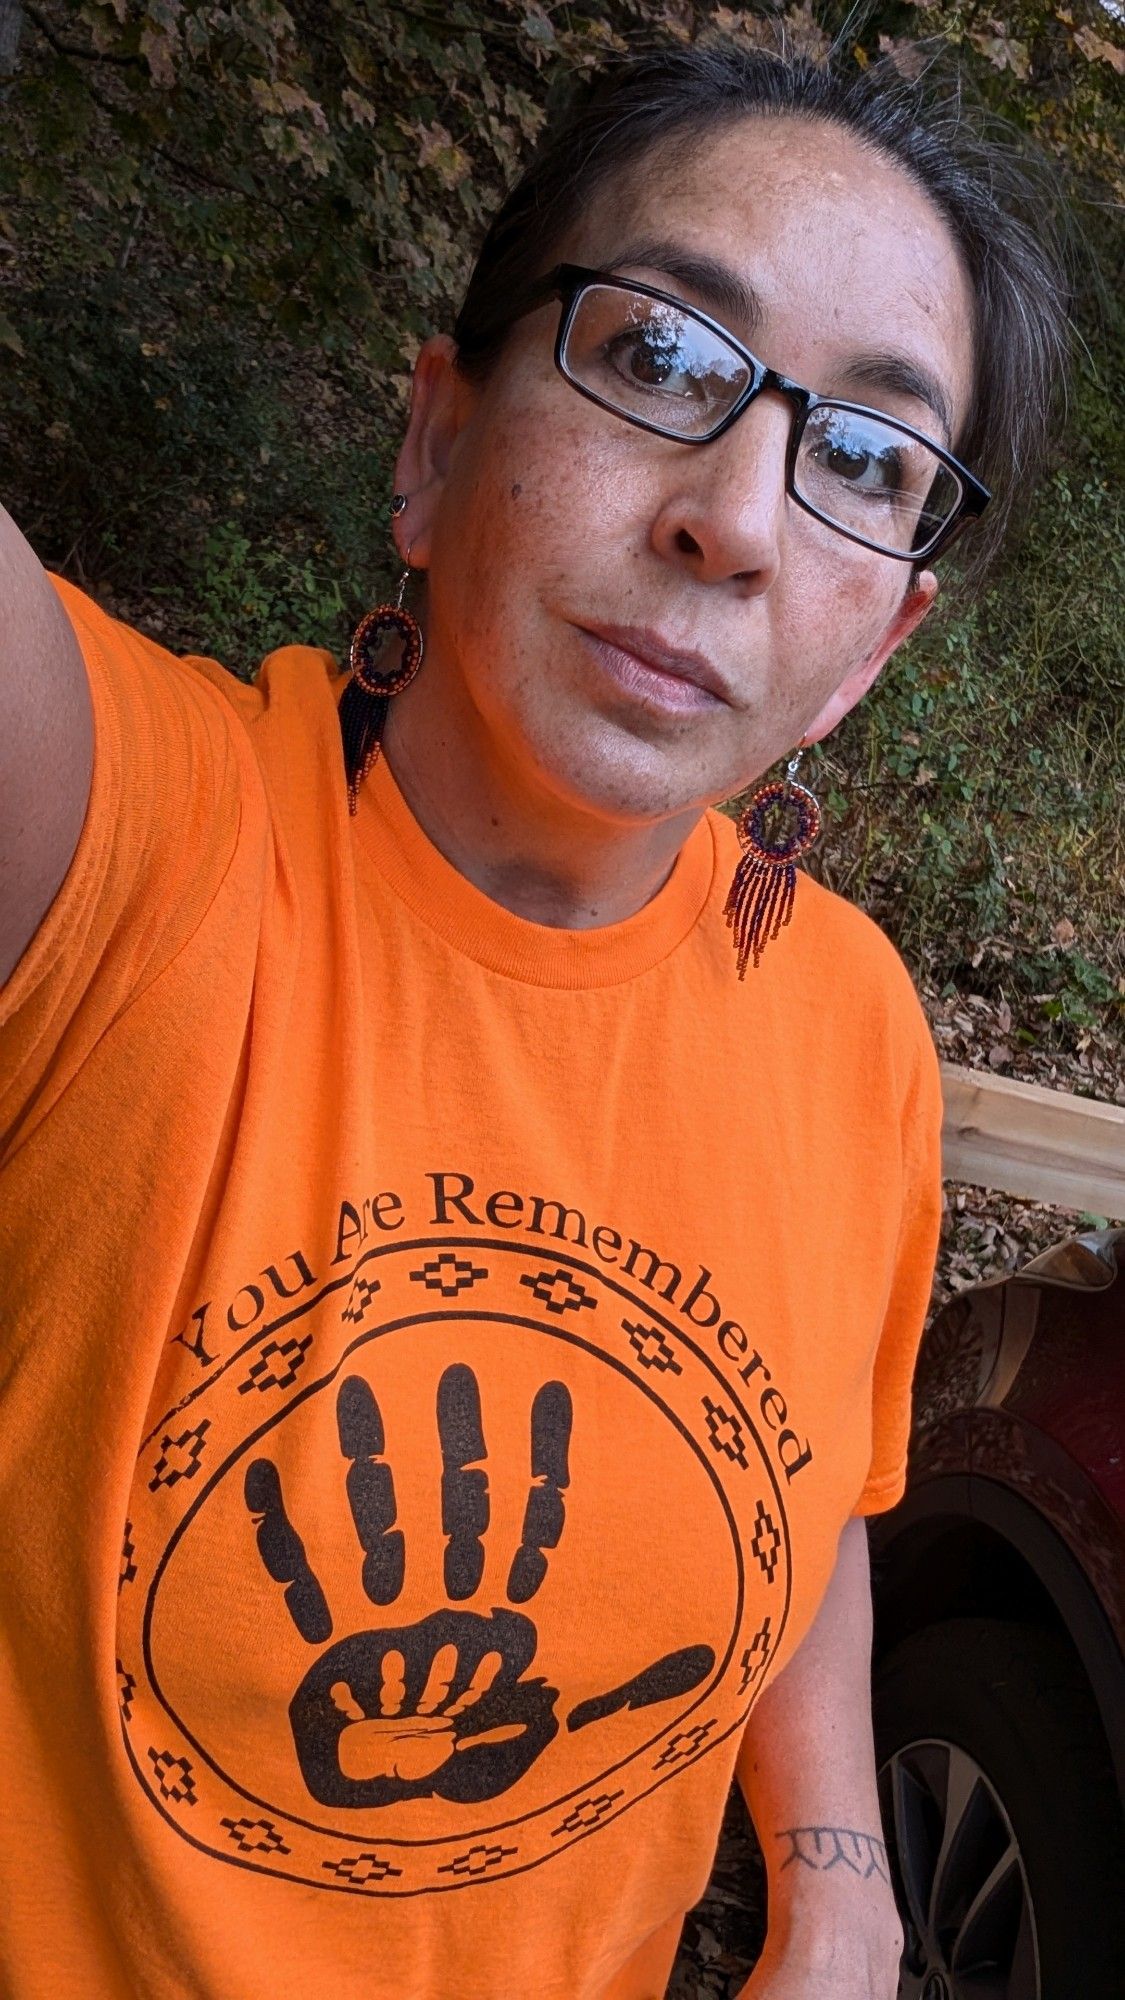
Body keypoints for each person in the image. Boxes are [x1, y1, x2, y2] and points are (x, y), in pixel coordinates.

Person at [0, 38, 1068, 2000]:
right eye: (659, 354)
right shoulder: (123, 843)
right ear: (433, 443)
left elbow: (815, 1484)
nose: (736, 517)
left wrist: (835, 1885)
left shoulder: (850, 1034)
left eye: (862, 459)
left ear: (872, 649)